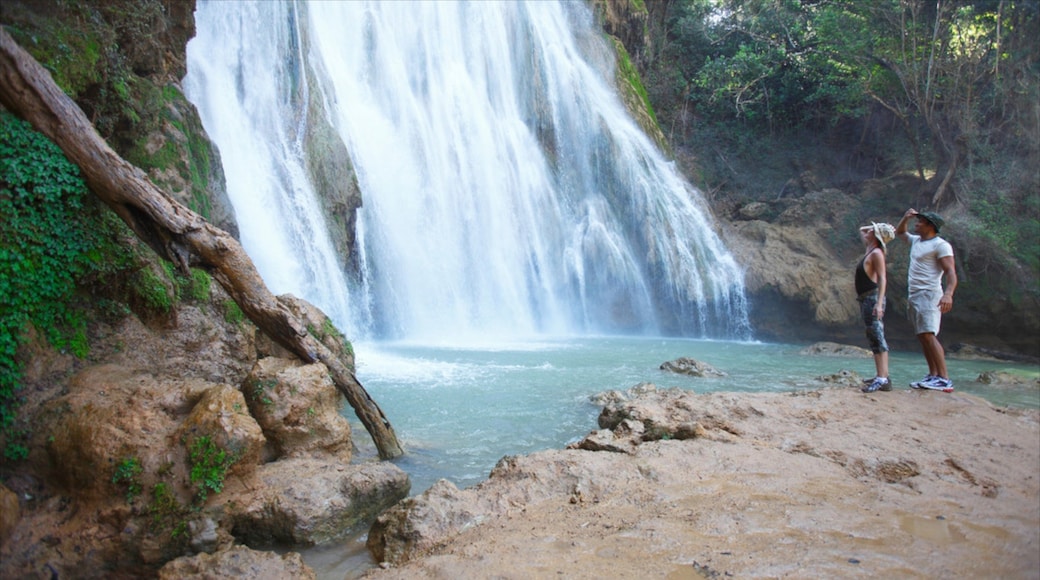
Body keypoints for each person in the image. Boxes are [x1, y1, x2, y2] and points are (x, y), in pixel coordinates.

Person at [895, 209, 958, 392]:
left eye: (920, 221)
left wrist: (948, 294)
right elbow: (900, 233)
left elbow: (951, 272)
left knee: (929, 334)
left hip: (929, 294)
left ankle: (944, 379)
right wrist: (905, 217)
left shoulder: (941, 245)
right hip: (914, 294)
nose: (917, 224)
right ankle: (933, 376)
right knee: (922, 336)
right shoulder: (916, 241)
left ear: (931, 226)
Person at [856, 222, 896, 393]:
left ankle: (883, 378)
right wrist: (879, 229)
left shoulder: (877, 253)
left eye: (874, 229)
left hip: (873, 298)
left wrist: (879, 304)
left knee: (878, 336)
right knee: (873, 336)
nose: (869, 230)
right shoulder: (871, 248)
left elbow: (882, 279)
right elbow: (861, 229)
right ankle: (881, 376)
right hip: (866, 299)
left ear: (877, 236)